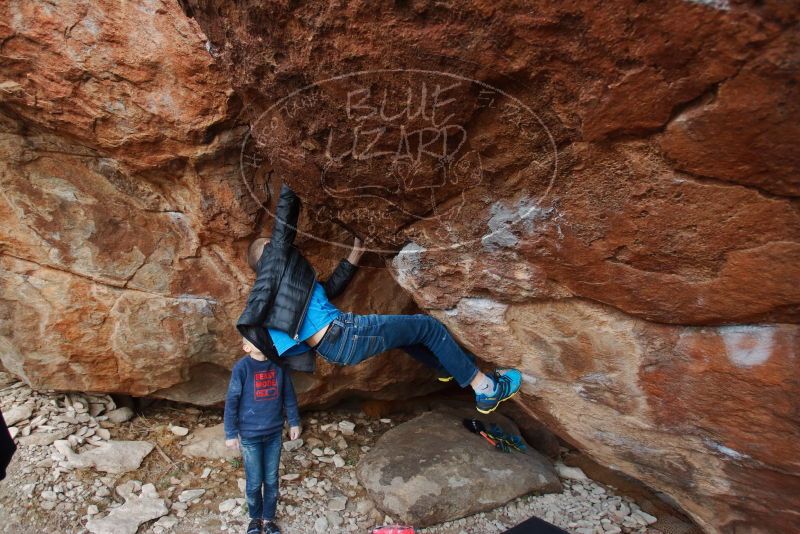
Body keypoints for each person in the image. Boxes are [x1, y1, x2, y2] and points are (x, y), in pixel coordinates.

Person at [237, 183, 522, 415]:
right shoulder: (274, 262)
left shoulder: (285, 294)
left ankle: (445, 367)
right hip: (345, 333)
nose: (279, 247)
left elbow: (329, 289)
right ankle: (487, 389)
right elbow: (284, 222)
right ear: (266, 257)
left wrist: (354, 254)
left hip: (336, 347)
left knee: (408, 336)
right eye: (271, 246)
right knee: (428, 327)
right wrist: (289, 176)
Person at [224, 337, 301, 534]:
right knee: (254, 480)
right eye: (253, 340)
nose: (260, 341)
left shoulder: (278, 366)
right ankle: (254, 519)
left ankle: (268, 520)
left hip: (274, 433)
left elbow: (289, 396)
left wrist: (294, 421)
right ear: (246, 347)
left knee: (272, 479)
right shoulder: (242, 368)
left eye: (263, 338)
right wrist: (231, 433)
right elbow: (232, 401)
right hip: (250, 435)